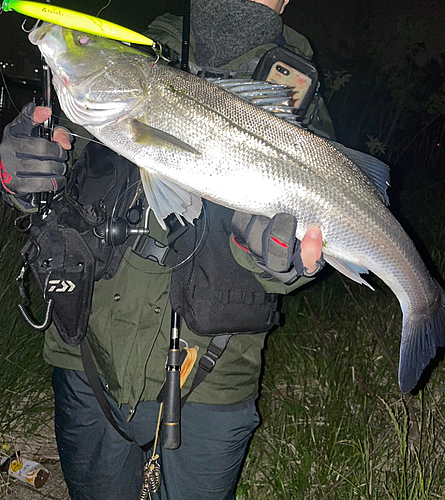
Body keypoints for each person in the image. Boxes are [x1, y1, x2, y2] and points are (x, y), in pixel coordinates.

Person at [0, 0, 335, 498]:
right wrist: (22, 173)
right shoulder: (132, 57)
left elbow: (308, 249)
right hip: (88, 356)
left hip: (213, 376)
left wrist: (279, 259)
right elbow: (54, 183)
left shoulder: (296, 102)